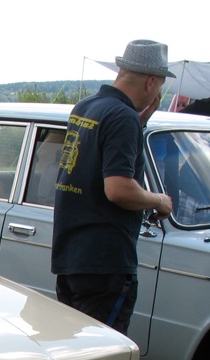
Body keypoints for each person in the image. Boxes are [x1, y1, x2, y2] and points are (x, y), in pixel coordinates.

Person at [51, 40, 175, 336]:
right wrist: (157, 200)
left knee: (73, 350)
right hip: (105, 262)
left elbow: (95, 162)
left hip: (72, 256)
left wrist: (140, 122)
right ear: (151, 82)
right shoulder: (122, 117)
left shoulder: (88, 106)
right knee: (102, 356)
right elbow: (117, 189)